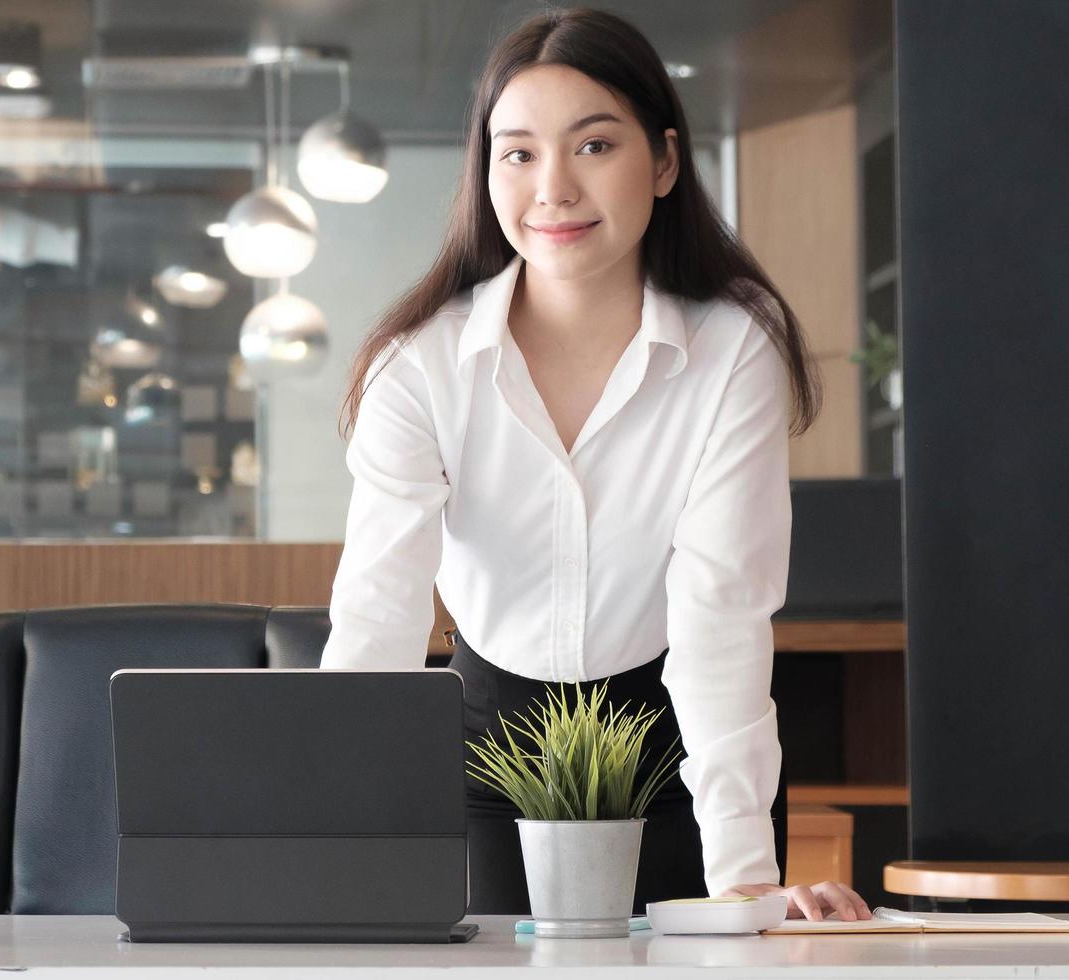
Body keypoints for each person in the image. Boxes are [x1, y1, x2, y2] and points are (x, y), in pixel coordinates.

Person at [317, 7, 870, 922]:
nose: (554, 189)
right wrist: (324, 850)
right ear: (487, 173)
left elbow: (721, 615)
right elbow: (377, 617)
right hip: (490, 747)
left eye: (594, 146)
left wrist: (745, 880)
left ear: (662, 161)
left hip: (676, 748)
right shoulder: (417, 364)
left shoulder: (734, 349)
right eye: (519, 152)